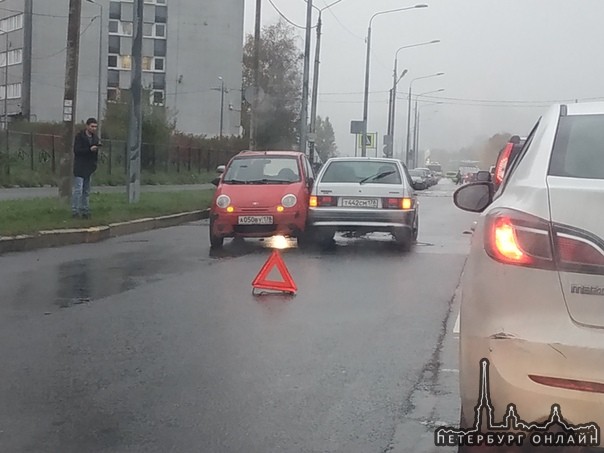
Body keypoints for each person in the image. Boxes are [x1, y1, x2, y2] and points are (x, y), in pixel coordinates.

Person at [72, 118, 100, 219]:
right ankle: (75, 210)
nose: (94, 128)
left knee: (86, 190)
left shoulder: (95, 138)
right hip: (80, 166)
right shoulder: (80, 136)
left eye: (95, 127)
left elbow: (95, 154)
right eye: (92, 126)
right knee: (78, 190)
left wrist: (94, 164)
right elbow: (77, 150)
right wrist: (89, 149)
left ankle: (85, 210)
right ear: (87, 126)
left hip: (89, 167)